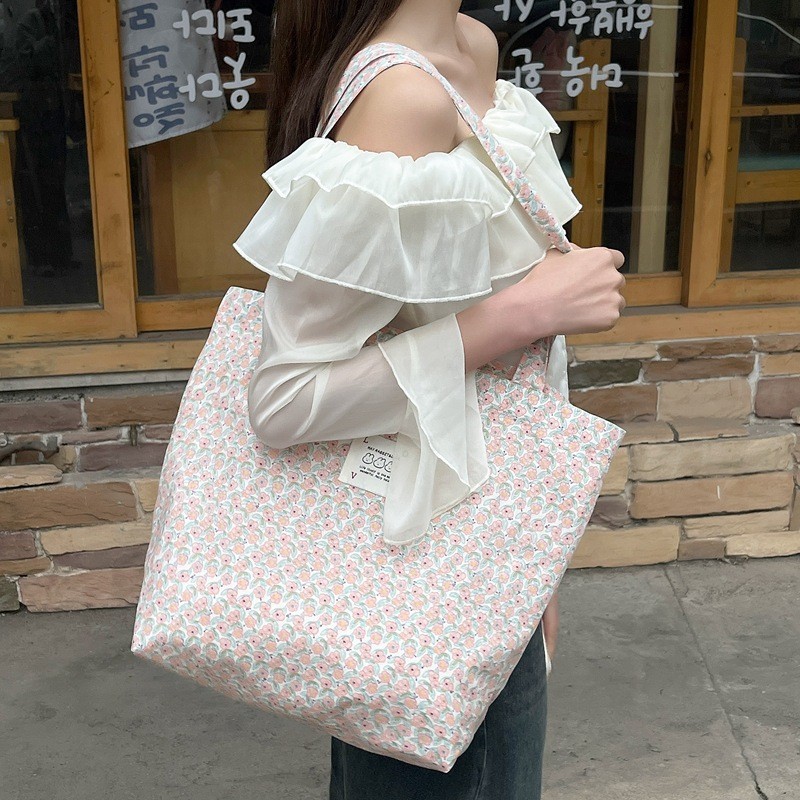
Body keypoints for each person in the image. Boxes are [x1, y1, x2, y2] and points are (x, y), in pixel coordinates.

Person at [235, 1, 626, 798]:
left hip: (487, 552)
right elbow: (285, 400)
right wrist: (520, 314)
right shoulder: (402, 96)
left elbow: (508, 375)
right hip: (417, 581)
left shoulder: (471, 44)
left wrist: (539, 564)